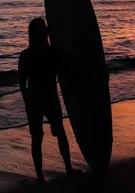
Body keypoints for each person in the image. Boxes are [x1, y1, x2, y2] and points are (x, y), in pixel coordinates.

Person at [18, 18, 80, 183]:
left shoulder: (27, 55)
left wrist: (27, 101)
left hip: (35, 99)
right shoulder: (52, 52)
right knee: (57, 134)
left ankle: (41, 176)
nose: (46, 30)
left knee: (39, 137)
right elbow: (71, 67)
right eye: (44, 29)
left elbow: (22, 83)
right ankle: (67, 169)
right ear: (43, 33)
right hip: (47, 98)